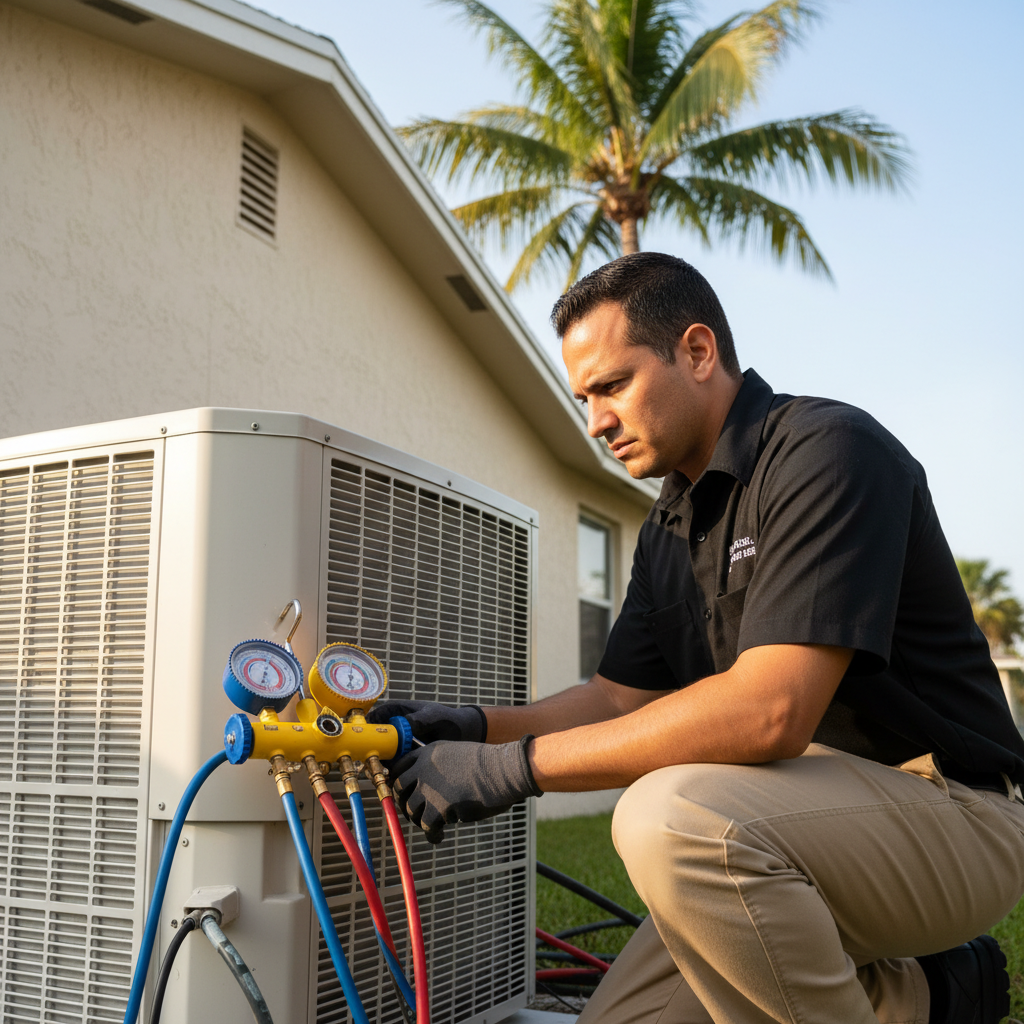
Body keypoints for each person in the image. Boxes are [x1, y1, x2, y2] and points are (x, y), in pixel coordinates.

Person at [369, 253, 1024, 1024]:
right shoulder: (667, 530)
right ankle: (934, 995)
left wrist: (512, 768)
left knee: (670, 817)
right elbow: (613, 697)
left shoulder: (828, 451)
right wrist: (473, 726)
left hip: (955, 812)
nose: (595, 422)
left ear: (698, 351)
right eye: (584, 397)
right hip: (791, 823)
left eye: (613, 386)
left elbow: (771, 712)